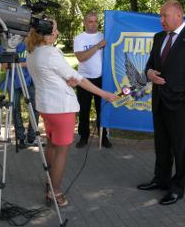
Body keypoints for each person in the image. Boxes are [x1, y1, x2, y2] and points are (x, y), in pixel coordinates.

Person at [26, 19, 117, 207]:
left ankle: (49, 183)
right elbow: (78, 78)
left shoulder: (33, 53)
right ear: (47, 34)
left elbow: (54, 76)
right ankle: (55, 192)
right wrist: (104, 94)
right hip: (61, 108)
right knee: (61, 152)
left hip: (45, 107)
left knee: (52, 146)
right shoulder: (51, 53)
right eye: (56, 30)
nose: (58, 33)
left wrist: (67, 80)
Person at [138, 0, 185, 205]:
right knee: (161, 145)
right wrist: (149, 72)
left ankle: (177, 188)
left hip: (179, 105)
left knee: (180, 148)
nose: (161, 20)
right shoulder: (159, 37)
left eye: (164, 16)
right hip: (159, 101)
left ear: (178, 15)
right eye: (160, 16)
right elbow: (151, 64)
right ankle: (161, 180)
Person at [73, 11, 111, 148]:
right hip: (84, 79)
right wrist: (96, 46)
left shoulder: (103, 36)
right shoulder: (79, 38)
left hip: (102, 78)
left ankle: (104, 136)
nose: (94, 24)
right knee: (84, 109)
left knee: (102, 109)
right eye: (90, 21)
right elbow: (80, 58)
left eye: (96, 21)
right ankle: (83, 136)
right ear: (84, 23)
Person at [0, 41, 39, 149]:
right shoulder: (6, 43)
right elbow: (4, 66)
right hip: (12, 80)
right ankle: (20, 137)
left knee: (35, 108)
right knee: (15, 108)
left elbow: (36, 62)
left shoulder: (31, 41)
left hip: (30, 80)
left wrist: (16, 64)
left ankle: (32, 137)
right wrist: (25, 64)